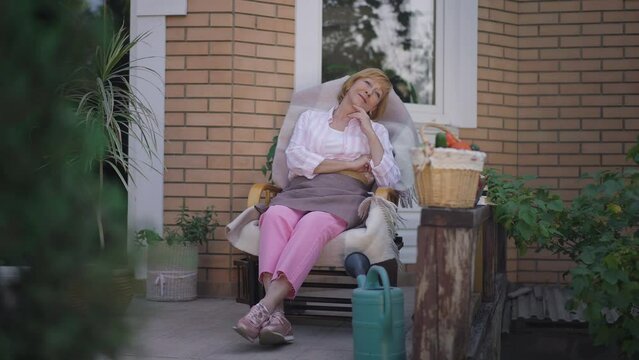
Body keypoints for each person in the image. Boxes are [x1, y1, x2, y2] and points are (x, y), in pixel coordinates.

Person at [233, 68, 401, 345]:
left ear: (375, 106)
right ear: (350, 85)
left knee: (314, 222)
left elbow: (390, 178)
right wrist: (349, 164)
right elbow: (297, 160)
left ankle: (263, 309)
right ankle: (278, 317)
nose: (369, 93)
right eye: (366, 84)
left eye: (376, 95)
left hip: (344, 195)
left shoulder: (377, 131)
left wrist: (369, 131)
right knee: (274, 215)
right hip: (301, 190)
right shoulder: (310, 118)